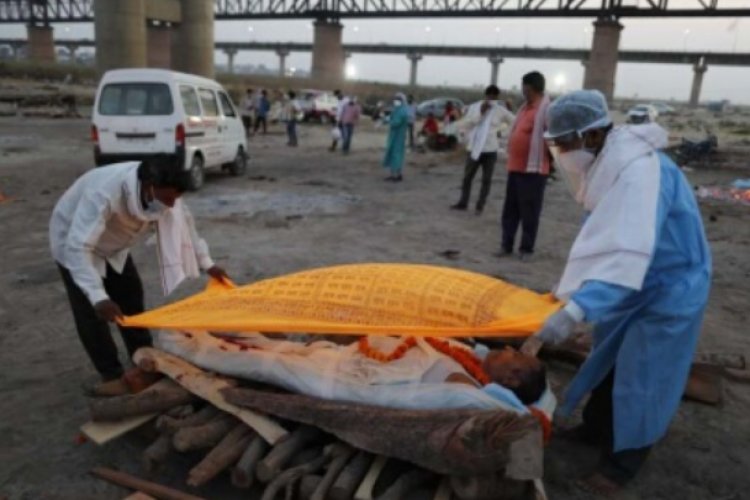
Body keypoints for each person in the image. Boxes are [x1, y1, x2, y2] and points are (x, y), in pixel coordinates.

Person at [533, 90, 711, 495]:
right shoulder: (612, 164)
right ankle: (596, 430)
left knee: (644, 376)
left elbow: (628, 252)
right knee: (609, 360)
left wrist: (575, 310)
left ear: (592, 136)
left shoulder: (638, 174)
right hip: (634, 282)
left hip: (667, 286)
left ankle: (623, 463)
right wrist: (572, 292)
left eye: (564, 143)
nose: (560, 152)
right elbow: (605, 241)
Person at [50, 156, 229, 395]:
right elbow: (79, 247)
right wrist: (97, 296)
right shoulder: (104, 194)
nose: (172, 205)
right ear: (148, 186)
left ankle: (144, 360)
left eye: (176, 198)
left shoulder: (166, 193)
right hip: (74, 244)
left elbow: (186, 225)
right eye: (167, 199)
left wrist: (208, 264)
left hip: (115, 246)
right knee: (92, 315)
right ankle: (111, 373)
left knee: (131, 300)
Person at [500, 71, 552, 260]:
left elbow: (552, 139)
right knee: (510, 211)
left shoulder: (546, 111)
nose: (523, 91)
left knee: (529, 212)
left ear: (535, 88)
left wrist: (551, 165)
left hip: (534, 171)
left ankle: (526, 249)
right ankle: (506, 245)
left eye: (526, 87)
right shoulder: (524, 108)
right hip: (515, 168)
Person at [451, 85, 515, 216]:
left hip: (490, 150)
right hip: (474, 148)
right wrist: (481, 112)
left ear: (497, 98)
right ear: (485, 96)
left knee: (486, 180)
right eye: (489, 96)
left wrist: (502, 134)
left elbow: (515, 122)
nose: (491, 99)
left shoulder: (500, 111)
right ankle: (463, 202)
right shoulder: (475, 107)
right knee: (467, 177)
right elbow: (469, 123)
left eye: (494, 97)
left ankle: (480, 205)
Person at [382, 93, 410, 182]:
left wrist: (387, 120)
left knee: (396, 155)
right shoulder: (397, 110)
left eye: (398, 99)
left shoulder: (402, 111)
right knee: (393, 155)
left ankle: (397, 175)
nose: (395, 101)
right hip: (395, 136)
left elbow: (396, 123)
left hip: (398, 136)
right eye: (395, 99)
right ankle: (394, 174)